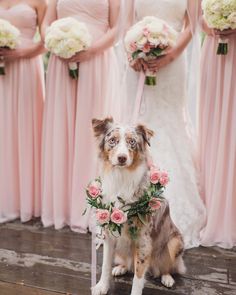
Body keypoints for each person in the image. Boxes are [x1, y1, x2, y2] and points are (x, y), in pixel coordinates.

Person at [124, 0, 206, 249]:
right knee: (141, 124)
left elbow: (192, 25)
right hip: (138, 65)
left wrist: (170, 55)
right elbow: (127, 25)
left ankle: (172, 206)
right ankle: (133, 202)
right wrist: (133, 55)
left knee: (168, 124)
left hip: (173, 63)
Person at [41, 0, 121, 230]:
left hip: (96, 60)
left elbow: (117, 28)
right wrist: (56, 43)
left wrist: (91, 51)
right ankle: (63, 207)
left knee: (93, 132)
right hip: (61, 61)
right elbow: (46, 24)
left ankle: (91, 206)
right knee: (62, 128)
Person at [0, 0, 46, 223]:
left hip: (28, 67)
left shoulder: (40, 1)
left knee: (27, 130)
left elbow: (47, 41)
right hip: (2, 70)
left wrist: (23, 52)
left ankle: (29, 201)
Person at [199, 15, 236, 249]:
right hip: (214, 52)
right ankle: (215, 207)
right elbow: (198, 19)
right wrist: (214, 28)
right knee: (213, 127)